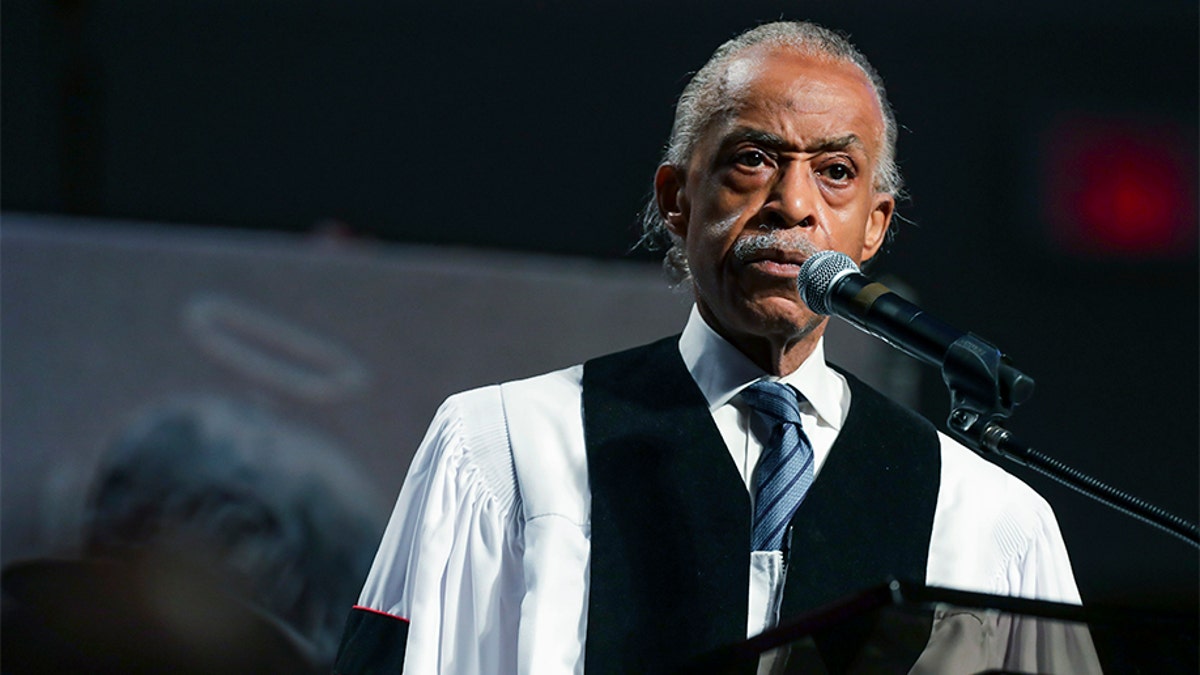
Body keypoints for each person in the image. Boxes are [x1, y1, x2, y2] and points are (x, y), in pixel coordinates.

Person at [334, 20, 1095, 674]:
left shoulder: (989, 518)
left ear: (875, 224)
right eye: (753, 159)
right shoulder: (503, 449)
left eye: (836, 173)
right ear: (677, 197)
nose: (794, 204)